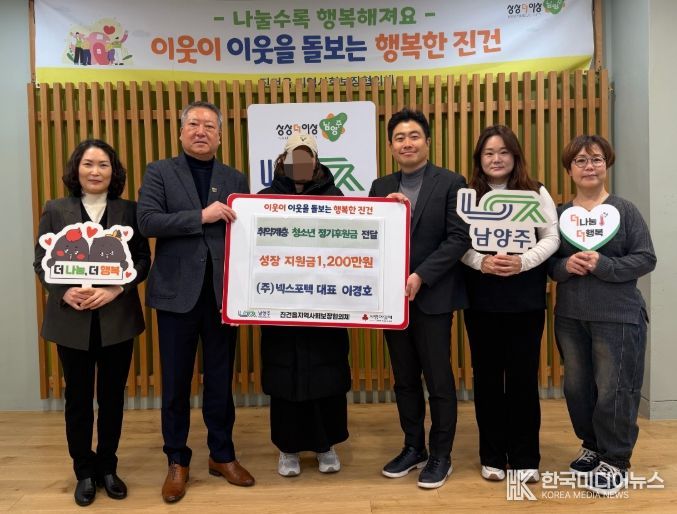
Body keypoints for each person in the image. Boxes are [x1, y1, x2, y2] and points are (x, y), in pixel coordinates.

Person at [137, 101, 254, 503]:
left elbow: (248, 232)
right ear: (181, 131)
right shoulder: (159, 172)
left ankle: (222, 454)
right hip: (176, 295)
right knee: (175, 383)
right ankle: (177, 460)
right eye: (193, 124)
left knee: (220, 380)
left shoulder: (234, 177)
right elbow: (147, 221)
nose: (201, 131)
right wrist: (200, 216)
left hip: (223, 296)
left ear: (220, 136)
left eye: (209, 126)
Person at [33, 139, 150, 507]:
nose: (95, 171)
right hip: (71, 319)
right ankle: (84, 470)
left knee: (113, 397)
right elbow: (41, 260)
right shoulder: (56, 209)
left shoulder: (129, 211)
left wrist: (117, 289)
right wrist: (62, 291)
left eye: (103, 165)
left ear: (114, 172)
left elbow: (142, 259)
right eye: (88, 164)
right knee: (78, 398)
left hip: (117, 319)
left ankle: (108, 467)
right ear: (76, 169)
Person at [548, 135, 656, 496]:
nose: (589, 166)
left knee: (615, 388)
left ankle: (616, 459)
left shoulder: (625, 210)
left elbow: (646, 257)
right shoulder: (560, 214)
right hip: (570, 317)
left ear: (606, 164)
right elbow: (549, 263)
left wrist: (604, 264)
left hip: (618, 316)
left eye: (595, 159)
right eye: (580, 161)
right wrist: (566, 265)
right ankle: (592, 445)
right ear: (569, 169)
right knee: (577, 388)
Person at [368, 109, 470, 489]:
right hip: (393, 301)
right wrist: (386, 213)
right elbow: (370, 237)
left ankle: (441, 454)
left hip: (433, 297)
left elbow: (459, 238)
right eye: (399, 137)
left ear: (427, 141)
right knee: (405, 379)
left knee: (438, 379)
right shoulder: (380, 186)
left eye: (414, 136)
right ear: (391, 146)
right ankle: (414, 447)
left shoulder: (452, 182)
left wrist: (421, 275)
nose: (407, 143)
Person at [461, 125, 559, 484]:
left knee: (523, 380)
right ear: (479, 159)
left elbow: (551, 237)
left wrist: (523, 262)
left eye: (503, 152)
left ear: (515, 156)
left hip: (525, 302)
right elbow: (456, 240)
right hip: (481, 301)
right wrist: (480, 262)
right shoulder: (468, 195)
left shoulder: (535, 191)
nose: (496, 159)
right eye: (489, 153)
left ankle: (525, 457)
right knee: (487, 380)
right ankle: (491, 455)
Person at [258, 133, 351, 477]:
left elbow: (349, 245)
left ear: (315, 162)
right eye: (293, 157)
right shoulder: (265, 199)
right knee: (285, 375)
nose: (300, 164)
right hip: (281, 302)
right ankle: (288, 449)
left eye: (306, 157)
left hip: (325, 302)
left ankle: (326, 445)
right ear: (282, 162)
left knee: (327, 372)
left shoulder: (335, 197)